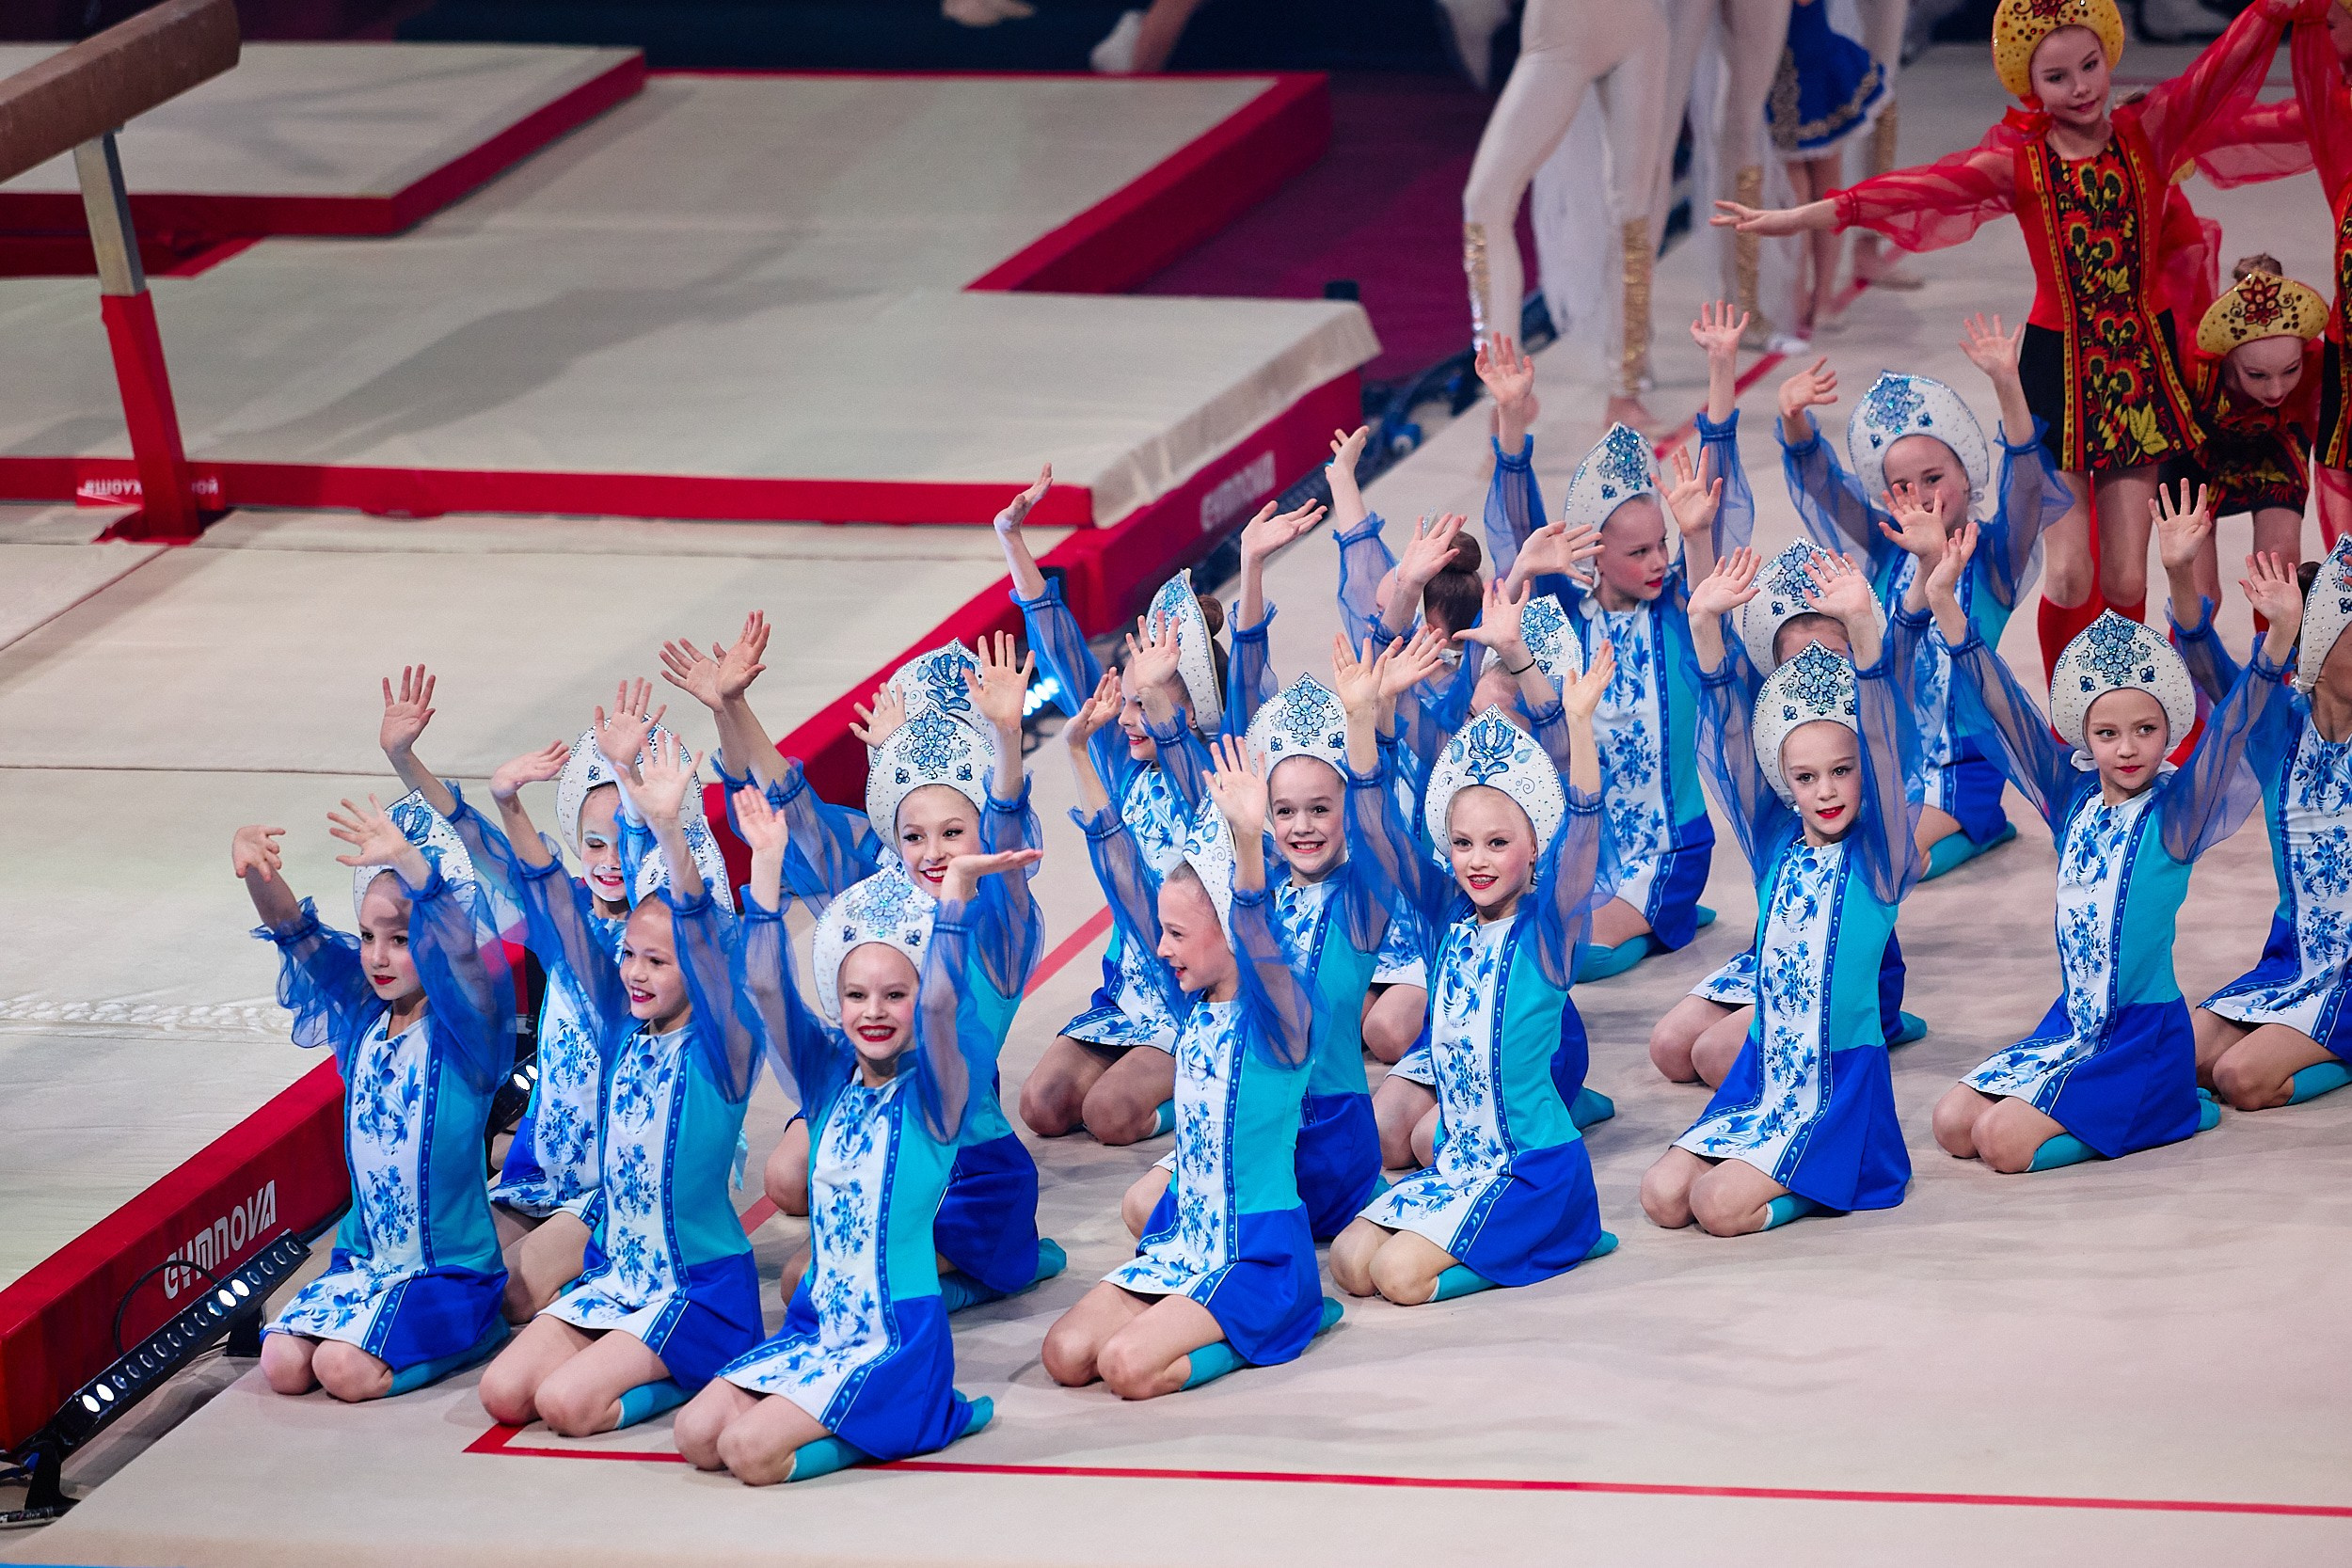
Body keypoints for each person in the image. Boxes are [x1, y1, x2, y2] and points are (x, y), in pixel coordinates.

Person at [1714, 0, 2303, 678]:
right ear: (2030, 85)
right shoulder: (2018, 162)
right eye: (2058, 77)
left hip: (2138, 373)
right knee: (2071, 573)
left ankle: (2122, 699)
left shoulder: (2150, 132)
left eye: (2089, 66)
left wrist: (2272, 10)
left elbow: (2219, 67)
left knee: (2121, 575)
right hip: (2056, 376)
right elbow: (1914, 192)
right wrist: (1803, 217)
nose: (2081, 86)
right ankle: (2064, 714)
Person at [673, 793, 1034, 1484]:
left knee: (751, 1453)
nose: (875, 1012)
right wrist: (768, 867)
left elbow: (940, 1000)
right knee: (696, 1433)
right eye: (858, 996)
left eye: (894, 995)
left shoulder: (937, 1092)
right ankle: (855, 1413)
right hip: (818, 1326)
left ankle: (915, 1413)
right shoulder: (825, 1078)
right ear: (836, 1004)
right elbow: (764, 986)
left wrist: (954, 899)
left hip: (891, 1340)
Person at [1924, 517, 2268, 1172]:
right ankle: (2111, 1105)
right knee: (1952, 1122)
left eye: (2145, 728)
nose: (2129, 746)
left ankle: (2171, 1106)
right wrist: (1945, 604)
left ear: (2169, 727)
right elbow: (2004, 708)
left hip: (2142, 1040)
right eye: (2108, 733)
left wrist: (2266, 637)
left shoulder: (2177, 813)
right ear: (2085, 736)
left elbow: (2234, 728)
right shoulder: (2071, 797)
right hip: (2074, 1025)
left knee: (2001, 1142)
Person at [1328, 588, 1618, 1307]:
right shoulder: (1443, 920)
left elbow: (1583, 828)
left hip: (1533, 1170)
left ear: (1531, 848)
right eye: (1462, 844)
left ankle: (1566, 1233)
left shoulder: (1549, 930)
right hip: (1462, 1165)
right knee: (1349, 1258)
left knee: (1398, 1277)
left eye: (1496, 843)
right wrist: (1363, 723)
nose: (1477, 860)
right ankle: (1477, 1235)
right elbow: (1379, 837)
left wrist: (1576, 727)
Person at [477, 736, 762, 1436]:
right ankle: (630, 1350)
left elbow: (705, 930)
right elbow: (546, 893)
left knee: (568, 1405)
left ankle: (701, 1356)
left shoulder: (722, 1041)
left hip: (695, 1287)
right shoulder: (621, 1021)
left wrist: (666, 827)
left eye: (656, 961)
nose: (633, 972)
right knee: (503, 1391)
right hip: (619, 1273)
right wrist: (503, 801)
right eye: (629, 955)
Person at [1041, 738, 1340, 1399]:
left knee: (1127, 1367)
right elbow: (1124, 880)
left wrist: (1248, 842)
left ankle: (1284, 1317)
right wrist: (1079, 754)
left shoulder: (1282, 1017)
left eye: (1177, 933)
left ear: (1232, 930)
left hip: (1257, 1255)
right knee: (1065, 1353)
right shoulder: (1192, 1004)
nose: (1161, 947)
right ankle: (1205, 1318)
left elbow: (1258, 932)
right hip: (1186, 1239)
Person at [1641, 547, 1922, 1235]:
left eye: (1842, 770)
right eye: (1806, 777)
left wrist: (1863, 628)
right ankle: (1770, 1163)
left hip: (1836, 1090)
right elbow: (1734, 733)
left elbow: (1886, 739)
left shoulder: (1877, 858)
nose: (1826, 790)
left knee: (1715, 1207)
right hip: (1762, 1075)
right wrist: (1705, 626)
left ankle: (1840, 1172)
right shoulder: (1775, 844)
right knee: (1660, 1195)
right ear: (1785, 783)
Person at [1774, 312, 2073, 872]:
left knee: (1877, 861)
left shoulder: (1991, 561)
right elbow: (1822, 485)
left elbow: (2029, 482)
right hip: (1887, 755)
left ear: (1967, 472)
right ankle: (1965, 834)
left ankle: (1972, 823)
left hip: (1961, 766)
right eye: (1902, 487)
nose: (1922, 497)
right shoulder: (1887, 548)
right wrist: (1793, 420)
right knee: (1821, 840)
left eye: (1935, 478)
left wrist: (2007, 382)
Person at [238, 793, 513, 1401]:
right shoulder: (364, 1014)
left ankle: (479, 1331)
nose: (378, 957)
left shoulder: (465, 1025)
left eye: (400, 938)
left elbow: (463, 950)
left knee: (345, 1371)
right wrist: (261, 871)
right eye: (367, 935)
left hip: (448, 1272)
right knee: (281, 1362)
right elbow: (296, 932)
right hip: (366, 1264)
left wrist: (415, 867)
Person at [994, 466, 1227, 1146]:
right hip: (1128, 994)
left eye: (1145, 704)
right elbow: (1066, 657)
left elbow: (1179, 740)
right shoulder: (1126, 766)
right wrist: (1014, 541)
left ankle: (1209, 1090)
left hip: (1192, 1000)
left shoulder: (1205, 775)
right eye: (1125, 699)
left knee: (1110, 1117)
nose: (1127, 718)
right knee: (1041, 1105)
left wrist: (1158, 695)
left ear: (1189, 708)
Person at [1483, 406, 1747, 979]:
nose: (1658, 561)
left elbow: (1708, 598)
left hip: (1665, 853)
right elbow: (1518, 543)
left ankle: (1656, 910)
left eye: (1661, 545)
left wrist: (1696, 534)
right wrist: (1509, 420)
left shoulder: (1678, 611)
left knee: (1564, 953)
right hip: (1583, 848)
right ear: (1595, 554)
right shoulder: (1564, 616)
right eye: (1638, 552)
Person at [2166, 522, 2352, 1110]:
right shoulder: (2277, 729)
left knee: (2243, 1080)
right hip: (2292, 958)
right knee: (2184, 1059)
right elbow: (2207, 666)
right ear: (2315, 647)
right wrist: (2177, 571)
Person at [1459, 0, 1675, 430]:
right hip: (1560, 35)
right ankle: (1505, 393)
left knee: (1633, 211)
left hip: (1639, 29)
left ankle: (1625, 387)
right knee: (1484, 203)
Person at [2173, 259, 2330, 594]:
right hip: (2197, 459)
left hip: (2275, 449)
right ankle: (2188, 648)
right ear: (2227, 357)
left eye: (2291, 370)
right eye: (2257, 375)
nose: (2276, 390)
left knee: (2278, 577)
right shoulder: (2191, 367)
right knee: (2199, 594)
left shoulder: (2317, 364)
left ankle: (2278, 647)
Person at [1765, 0, 1887, 343]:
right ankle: (1802, 295)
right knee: (1799, 196)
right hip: (1783, 71)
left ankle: (1821, 297)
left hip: (1814, 67)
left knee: (1823, 193)